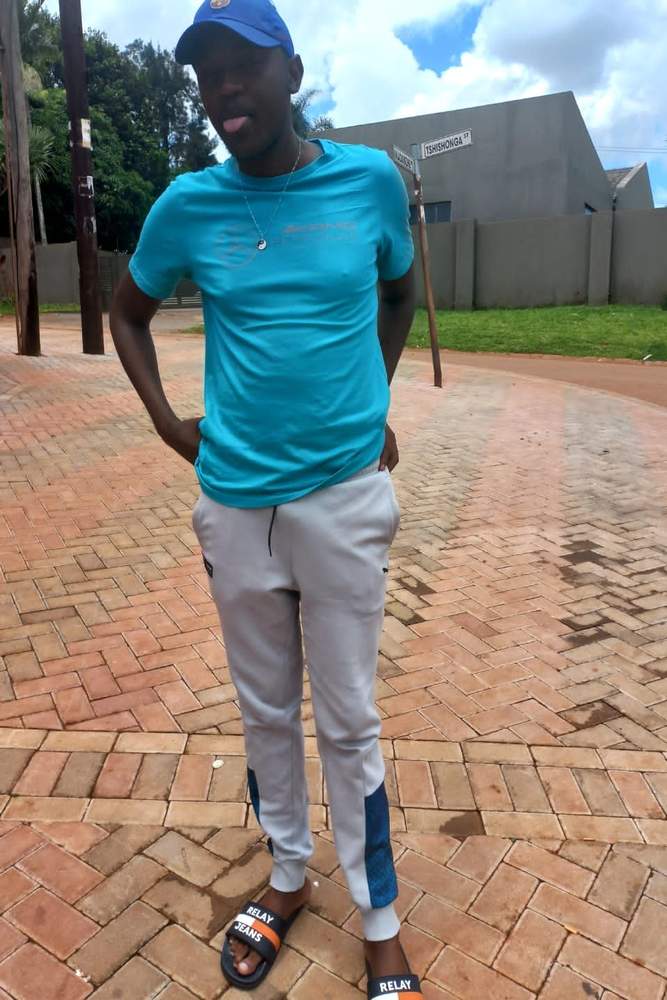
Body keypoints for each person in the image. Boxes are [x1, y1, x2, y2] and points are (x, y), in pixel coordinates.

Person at [110, 1, 420, 995]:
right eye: (207, 74)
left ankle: (379, 919)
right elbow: (126, 311)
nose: (223, 88)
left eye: (242, 64)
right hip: (235, 509)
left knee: (349, 721)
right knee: (263, 714)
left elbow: (399, 292)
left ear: (291, 71)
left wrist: (371, 403)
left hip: (342, 502)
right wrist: (170, 425)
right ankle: (288, 875)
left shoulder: (368, 182)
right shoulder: (187, 205)